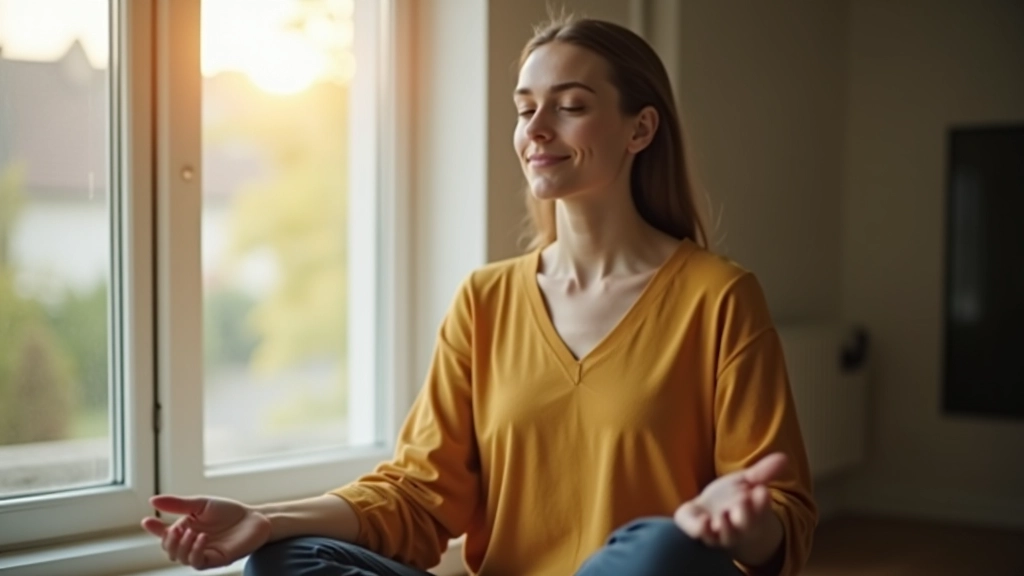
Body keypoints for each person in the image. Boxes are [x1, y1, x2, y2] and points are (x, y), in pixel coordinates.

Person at [141, 15, 816, 576]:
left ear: (639, 130)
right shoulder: (486, 299)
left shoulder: (719, 297)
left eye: (571, 106)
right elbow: (418, 496)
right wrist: (267, 520)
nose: (537, 129)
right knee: (286, 560)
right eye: (525, 109)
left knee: (665, 547)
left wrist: (741, 526)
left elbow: (783, 513)